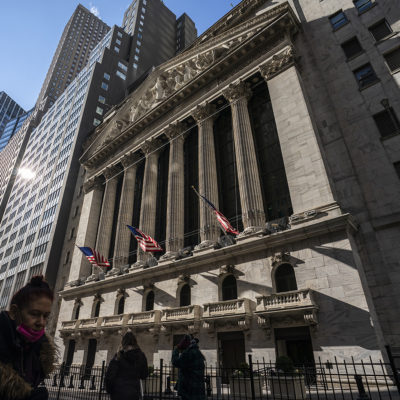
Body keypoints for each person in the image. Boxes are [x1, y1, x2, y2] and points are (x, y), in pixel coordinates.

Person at [0, 275, 57, 400]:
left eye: (46, 316)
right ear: (14, 312)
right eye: (34, 314)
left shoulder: (40, 352)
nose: (41, 322)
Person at [105, 331, 148, 400]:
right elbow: (144, 375)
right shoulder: (141, 356)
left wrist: (109, 390)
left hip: (118, 393)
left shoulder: (118, 356)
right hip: (134, 393)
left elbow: (110, 376)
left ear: (123, 342)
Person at [171, 334, 206, 400]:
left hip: (189, 391)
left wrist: (177, 348)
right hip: (198, 390)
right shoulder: (198, 353)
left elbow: (175, 362)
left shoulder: (188, 353)